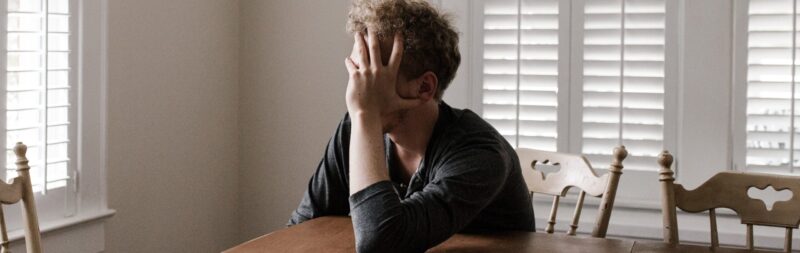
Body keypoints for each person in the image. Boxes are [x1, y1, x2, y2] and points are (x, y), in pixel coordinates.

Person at [288, 0, 535, 252]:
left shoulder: (481, 154)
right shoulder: (355, 128)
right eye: (355, 72)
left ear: (424, 87)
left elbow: (381, 243)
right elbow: (302, 228)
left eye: (371, 74)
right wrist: (363, 118)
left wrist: (366, 115)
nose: (356, 90)